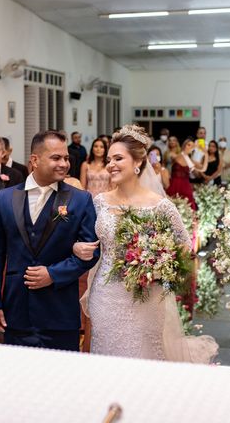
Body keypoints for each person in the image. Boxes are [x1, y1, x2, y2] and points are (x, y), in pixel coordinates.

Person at [76, 125, 217, 362]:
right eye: (109, 159)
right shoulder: (99, 202)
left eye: (118, 158)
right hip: (105, 293)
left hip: (146, 296)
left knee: (142, 358)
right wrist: (76, 247)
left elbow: (184, 245)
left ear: (137, 163)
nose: (111, 164)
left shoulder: (161, 205)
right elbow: (86, 240)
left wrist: (160, 263)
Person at [0, 130, 99, 351]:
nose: (64, 164)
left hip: (60, 311)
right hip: (17, 309)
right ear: (34, 160)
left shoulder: (81, 200)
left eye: (66, 158)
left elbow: (92, 252)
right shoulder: (6, 199)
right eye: (56, 158)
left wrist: (53, 274)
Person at [166, 138, 199, 210]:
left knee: (188, 207)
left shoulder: (190, 160)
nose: (190, 147)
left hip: (186, 185)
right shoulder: (175, 155)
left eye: (192, 146)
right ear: (184, 146)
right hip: (175, 184)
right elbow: (172, 156)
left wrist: (205, 153)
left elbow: (198, 173)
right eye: (189, 145)